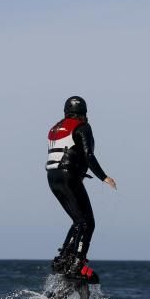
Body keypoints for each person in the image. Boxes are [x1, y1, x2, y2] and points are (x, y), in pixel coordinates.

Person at [46, 95, 117, 279]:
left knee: (78, 221)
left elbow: (66, 152)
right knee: (87, 222)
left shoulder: (56, 128)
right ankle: (77, 262)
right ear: (84, 113)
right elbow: (88, 155)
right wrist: (104, 177)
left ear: (65, 112)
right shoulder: (83, 127)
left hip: (52, 178)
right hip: (68, 177)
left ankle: (62, 260)